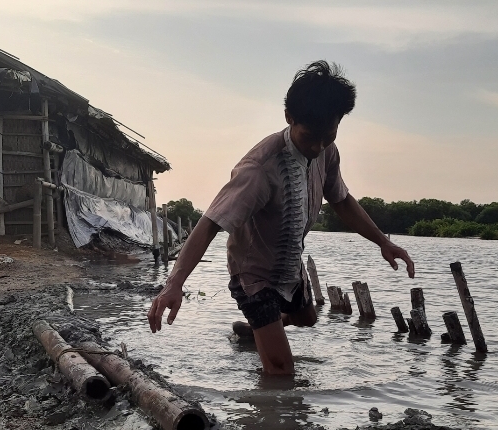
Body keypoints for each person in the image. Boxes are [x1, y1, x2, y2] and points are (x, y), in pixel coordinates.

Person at [147, 61, 414, 375]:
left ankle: (260, 330)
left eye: (328, 135)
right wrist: (173, 284)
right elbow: (210, 224)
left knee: (307, 319)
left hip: (288, 264)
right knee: (281, 371)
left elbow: (340, 199)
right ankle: (266, 342)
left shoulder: (327, 151)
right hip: (253, 274)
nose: (318, 146)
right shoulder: (259, 169)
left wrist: (383, 241)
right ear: (289, 118)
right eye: (310, 137)